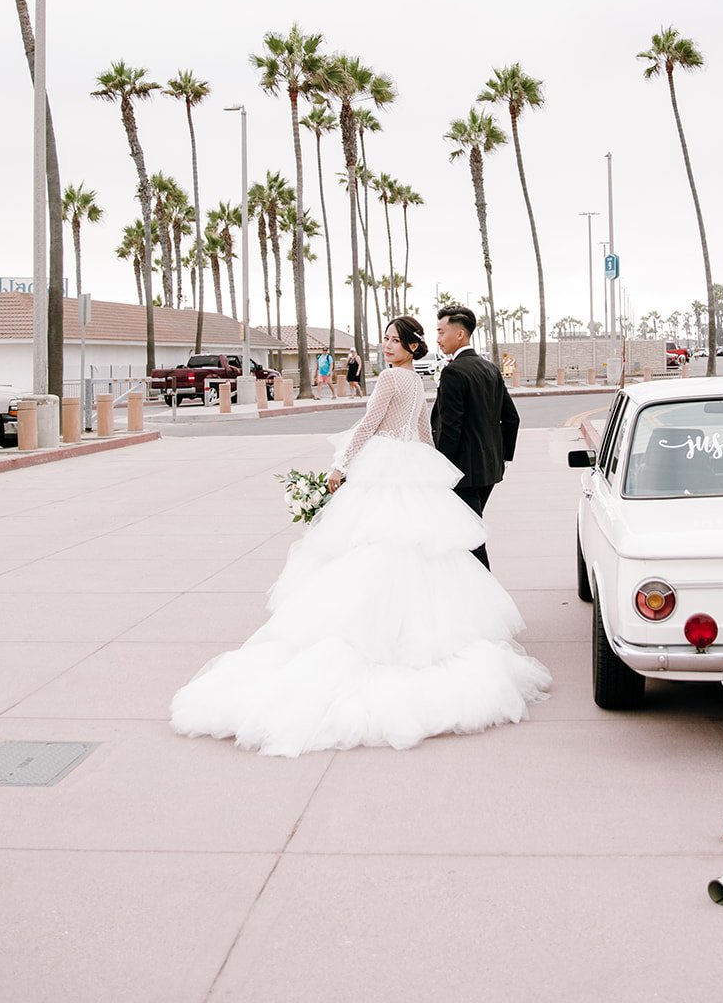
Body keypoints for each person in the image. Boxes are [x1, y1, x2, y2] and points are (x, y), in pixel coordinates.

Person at [170, 314, 550, 755]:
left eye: (395, 340)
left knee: (370, 550)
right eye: (385, 340)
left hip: (385, 469)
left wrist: (340, 466)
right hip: (409, 467)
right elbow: (424, 433)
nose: (387, 346)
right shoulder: (417, 382)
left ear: (412, 346)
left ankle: (372, 637)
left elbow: (369, 427)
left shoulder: (391, 380)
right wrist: (431, 473)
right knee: (422, 554)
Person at [433, 305, 520, 570]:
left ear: (460, 335)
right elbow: (512, 418)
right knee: (467, 530)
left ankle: (487, 596)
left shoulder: (454, 372)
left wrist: (441, 470)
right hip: (489, 470)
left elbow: (450, 429)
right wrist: (502, 457)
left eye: (441, 331)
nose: (437, 337)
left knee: (470, 537)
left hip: (462, 473)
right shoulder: (490, 368)